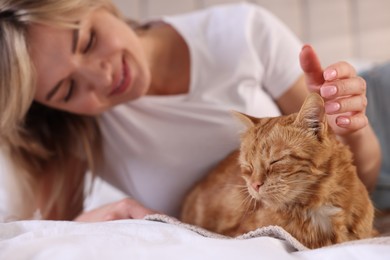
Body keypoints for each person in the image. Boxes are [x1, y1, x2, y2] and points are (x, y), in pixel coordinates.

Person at [0, 0, 381, 221]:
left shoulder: (242, 32)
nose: (100, 76)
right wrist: (92, 222)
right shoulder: (77, 132)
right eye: (67, 89)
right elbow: (49, 234)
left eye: (88, 41)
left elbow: (360, 178)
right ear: (50, 106)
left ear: (98, 5)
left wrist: (350, 129)